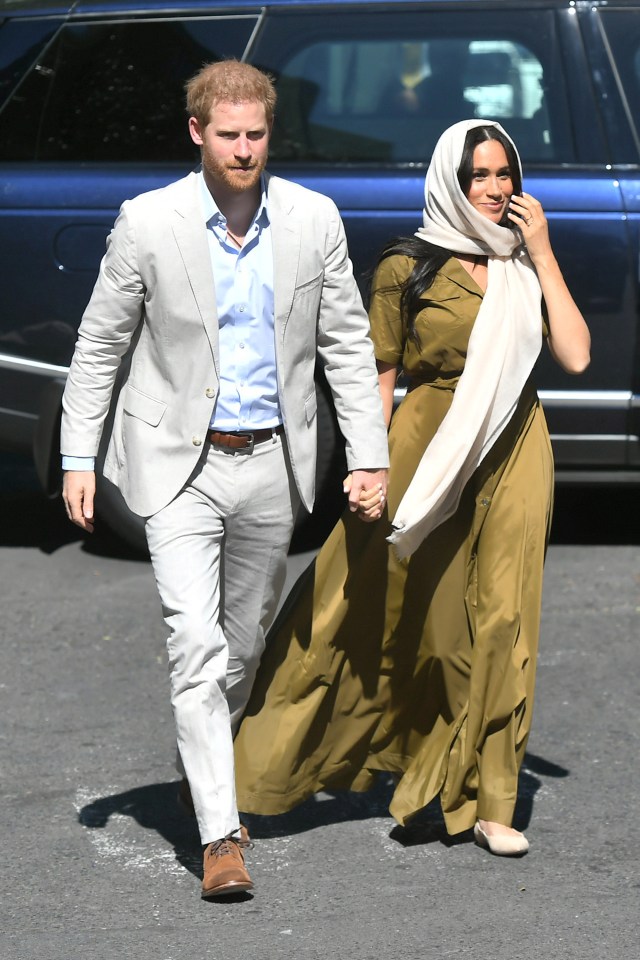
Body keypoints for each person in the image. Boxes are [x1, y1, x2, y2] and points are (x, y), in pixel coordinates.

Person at [60, 59, 389, 898]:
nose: (245, 150)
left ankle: (195, 762)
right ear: (198, 133)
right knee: (196, 647)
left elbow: (348, 346)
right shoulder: (149, 221)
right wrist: (77, 457)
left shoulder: (313, 220)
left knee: (240, 651)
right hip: (178, 465)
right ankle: (220, 836)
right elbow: (100, 344)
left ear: (269, 133)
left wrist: (370, 454)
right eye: (229, 135)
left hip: (273, 463)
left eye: (257, 135)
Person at [233, 119, 590, 856]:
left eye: (504, 175)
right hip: (429, 448)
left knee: (505, 622)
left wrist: (545, 253)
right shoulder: (409, 265)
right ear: (450, 183)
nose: (495, 190)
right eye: (478, 177)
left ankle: (490, 802)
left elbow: (577, 357)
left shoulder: (523, 259)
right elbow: (378, 379)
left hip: (517, 442)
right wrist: (369, 466)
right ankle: (251, 771)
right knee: (403, 619)